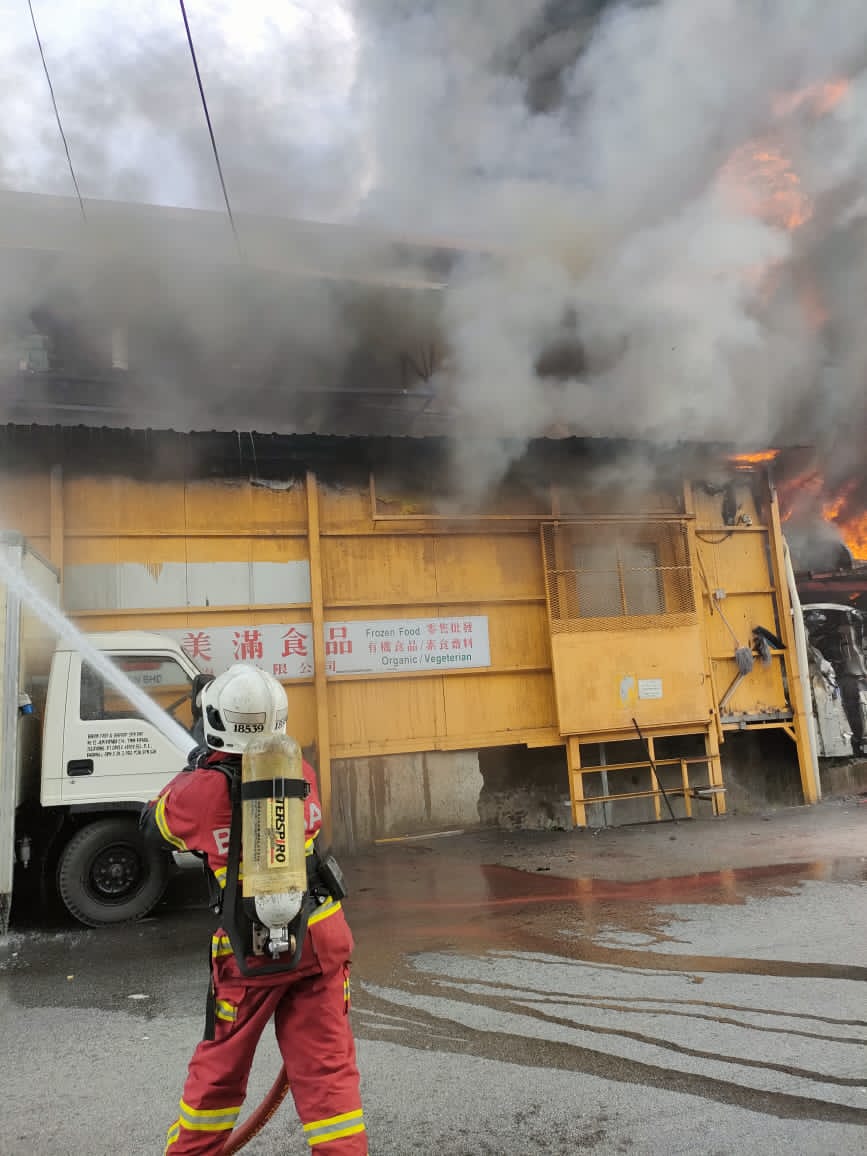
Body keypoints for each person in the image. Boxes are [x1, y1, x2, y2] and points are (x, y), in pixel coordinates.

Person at [141, 663, 367, 1155]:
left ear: (216, 719)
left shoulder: (199, 792)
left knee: (219, 1073)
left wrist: (199, 761)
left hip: (249, 950)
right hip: (321, 937)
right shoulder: (299, 771)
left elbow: (153, 825)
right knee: (329, 1078)